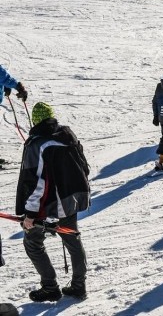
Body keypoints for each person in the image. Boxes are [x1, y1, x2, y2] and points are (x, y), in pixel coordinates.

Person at [17, 102, 90, 302]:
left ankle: (50, 287)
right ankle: (79, 286)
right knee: (72, 239)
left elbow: (36, 182)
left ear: (35, 120)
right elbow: (85, 167)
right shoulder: (68, 136)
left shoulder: (37, 144)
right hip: (72, 199)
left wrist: (30, 214)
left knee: (32, 241)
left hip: (49, 204)